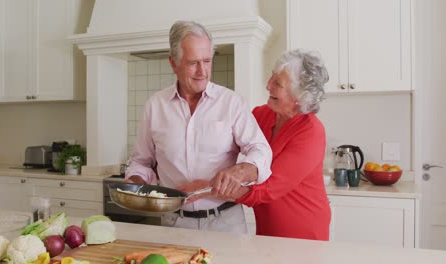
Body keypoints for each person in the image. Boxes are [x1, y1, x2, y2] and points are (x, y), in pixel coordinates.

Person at [124, 20, 272, 234]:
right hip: (174, 223)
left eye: (207, 61)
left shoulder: (231, 102)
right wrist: (135, 183)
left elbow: (261, 150)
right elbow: (141, 161)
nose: (202, 71)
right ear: (173, 63)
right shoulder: (155, 106)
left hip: (226, 223)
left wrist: (240, 171)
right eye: (193, 62)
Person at [212, 50, 331, 240]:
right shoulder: (262, 115)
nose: (268, 85)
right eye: (271, 78)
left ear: (299, 96)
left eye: (277, 83)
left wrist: (213, 190)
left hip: (303, 231)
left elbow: (270, 187)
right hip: (268, 228)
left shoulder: (311, 132)